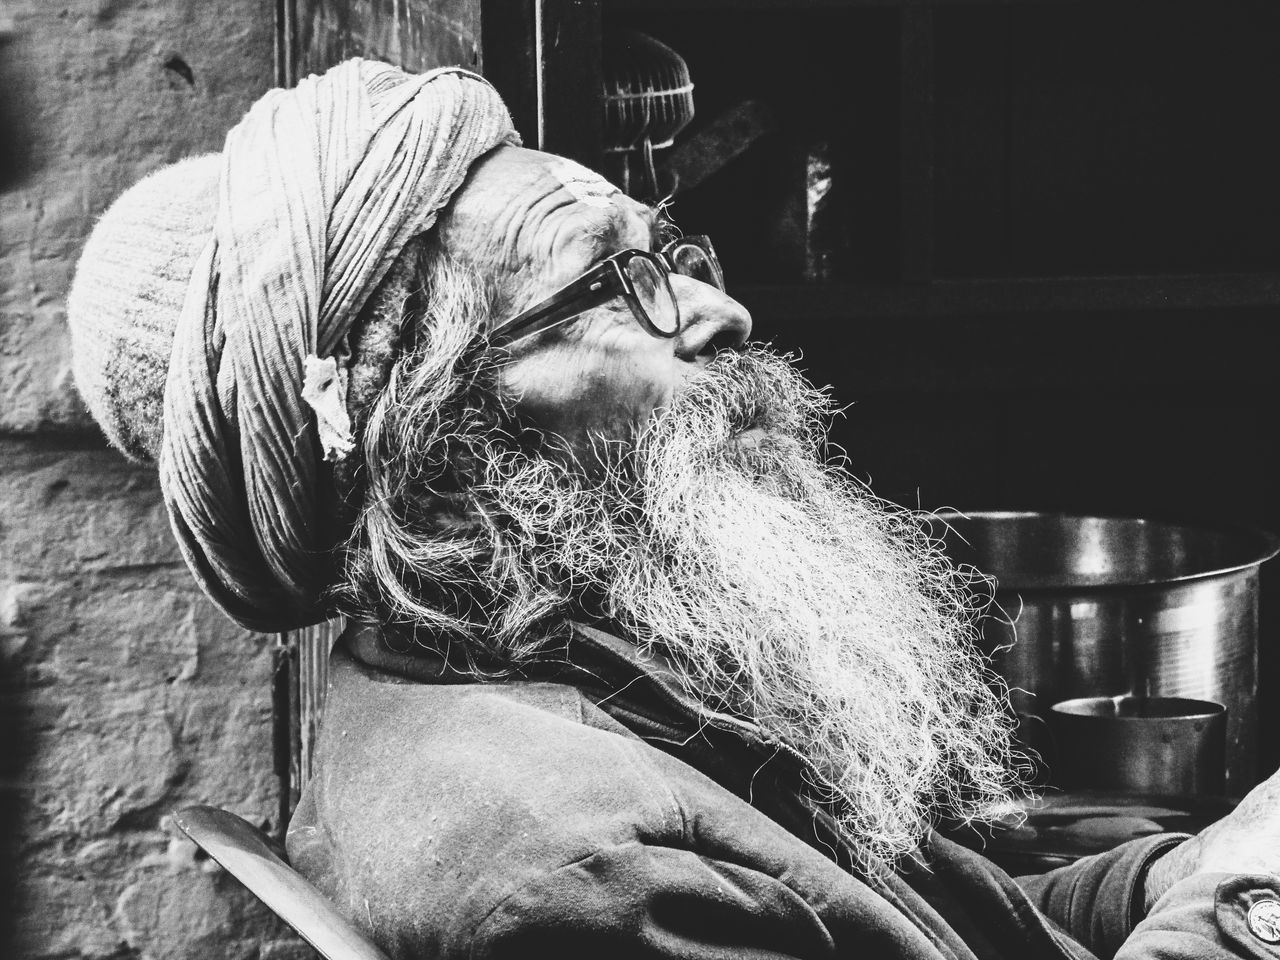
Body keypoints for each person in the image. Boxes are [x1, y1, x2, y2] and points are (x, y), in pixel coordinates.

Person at [68, 60, 1280, 960]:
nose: (721, 315)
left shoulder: (595, 662)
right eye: (609, 285)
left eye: (672, 258)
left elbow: (959, 920)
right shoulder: (572, 869)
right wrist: (1244, 919)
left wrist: (1197, 868)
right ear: (433, 442)